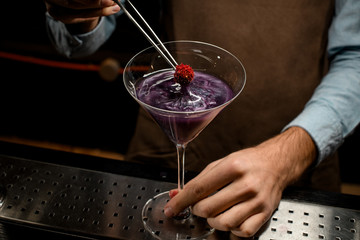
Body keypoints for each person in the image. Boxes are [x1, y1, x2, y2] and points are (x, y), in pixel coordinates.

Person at [44, 0, 360, 237]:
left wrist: (287, 156)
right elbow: (89, 31)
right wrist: (80, 11)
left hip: (297, 160)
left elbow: (355, 56)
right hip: (163, 155)